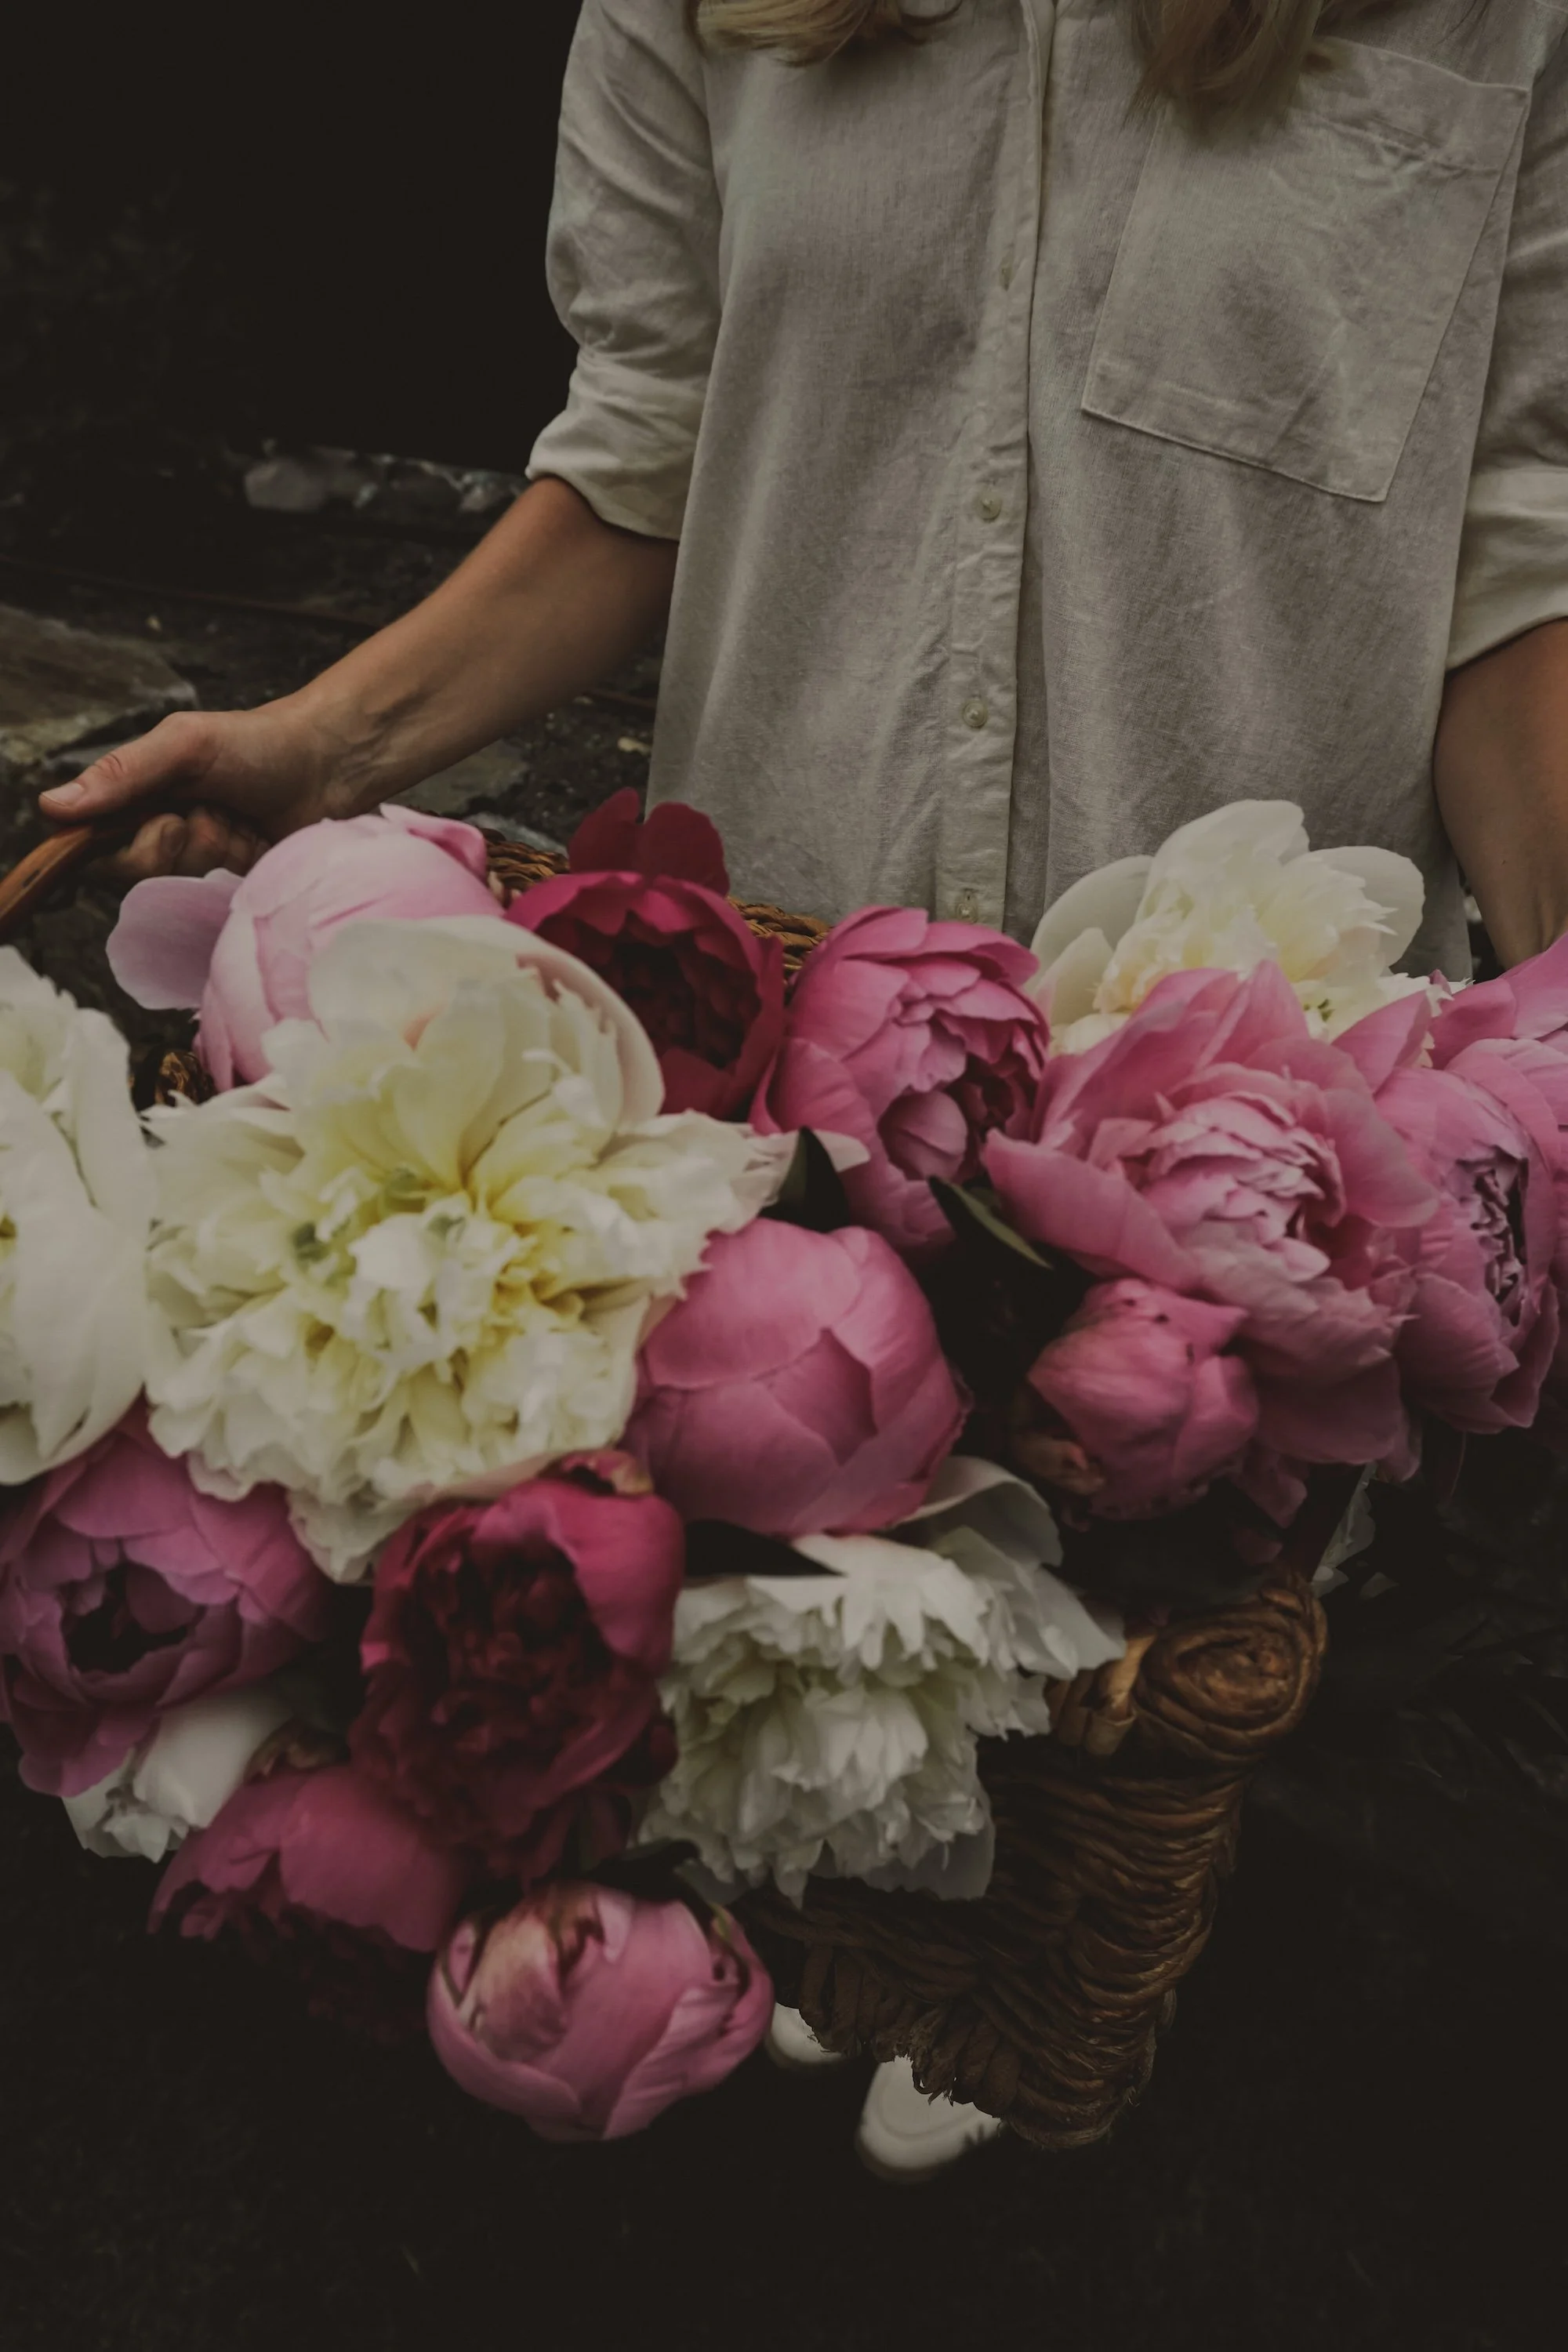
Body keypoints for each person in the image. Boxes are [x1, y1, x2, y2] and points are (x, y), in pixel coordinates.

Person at [41, 0, 1568, 2170]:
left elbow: (1518, 554)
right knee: (824, 1788)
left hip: (1225, 1162)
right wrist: (320, 747)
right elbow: (651, 442)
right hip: (772, 1123)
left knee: (1116, 1878)